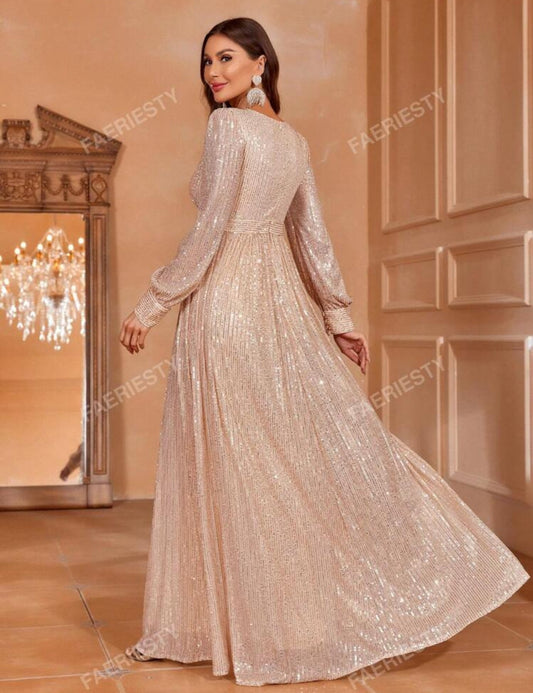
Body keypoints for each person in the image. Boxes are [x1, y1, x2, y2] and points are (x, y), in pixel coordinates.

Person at [119, 17, 530, 688]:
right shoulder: (293, 141)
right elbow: (312, 236)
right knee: (287, 451)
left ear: (260, 63)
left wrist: (153, 301)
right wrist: (337, 316)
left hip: (225, 304)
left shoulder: (228, 128)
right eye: (206, 62)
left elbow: (213, 227)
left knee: (232, 458)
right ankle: (272, 623)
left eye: (226, 58)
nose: (213, 72)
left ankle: (235, 627)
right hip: (279, 305)